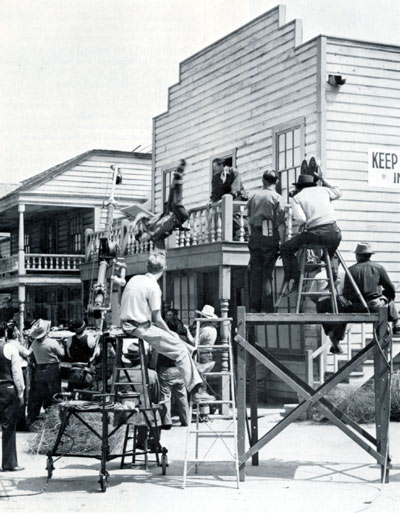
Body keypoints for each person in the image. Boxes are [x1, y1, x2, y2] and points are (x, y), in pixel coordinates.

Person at [120, 253, 214, 402]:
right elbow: (157, 319)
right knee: (178, 347)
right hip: (139, 326)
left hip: (130, 323)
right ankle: (196, 390)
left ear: (147, 267)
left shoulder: (135, 279)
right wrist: (170, 332)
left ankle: (195, 366)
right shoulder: (153, 287)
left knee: (181, 345)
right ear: (164, 268)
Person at [280, 164, 342, 292]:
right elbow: (338, 192)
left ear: (298, 187)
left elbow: (301, 219)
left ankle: (295, 279)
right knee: (329, 255)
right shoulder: (323, 190)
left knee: (286, 248)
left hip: (316, 234)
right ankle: (334, 277)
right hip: (335, 232)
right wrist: (323, 179)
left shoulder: (297, 198)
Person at [246, 169, 286, 312]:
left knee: (256, 272)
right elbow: (281, 222)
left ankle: (254, 307)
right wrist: (282, 241)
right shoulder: (277, 198)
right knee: (267, 272)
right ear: (276, 182)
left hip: (255, 235)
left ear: (263, 181)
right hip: (269, 234)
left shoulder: (253, 196)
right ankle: (267, 307)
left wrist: (252, 235)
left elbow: (248, 220)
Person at [343, 243, 400, 333]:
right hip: (375, 306)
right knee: (388, 298)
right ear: (370, 255)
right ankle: (396, 324)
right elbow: (390, 289)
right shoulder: (379, 268)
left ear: (357, 256)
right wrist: (385, 296)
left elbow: (346, 294)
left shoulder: (350, 270)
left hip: (356, 308)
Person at [133, 160, 189, 250]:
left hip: (169, 213)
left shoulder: (149, 225)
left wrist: (135, 223)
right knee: (176, 204)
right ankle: (180, 180)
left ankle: (178, 174)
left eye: (143, 238)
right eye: (144, 241)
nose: (145, 240)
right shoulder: (156, 238)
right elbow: (160, 250)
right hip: (179, 218)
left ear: (143, 233)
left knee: (171, 192)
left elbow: (141, 216)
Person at [157, 309, 192, 428]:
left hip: (166, 369)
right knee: (182, 395)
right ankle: (186, 419)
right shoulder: (184, 338)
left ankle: (167, 421)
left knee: (165, 396)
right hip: (180, 369)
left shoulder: (166, 338)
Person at [27, 319, 65, 426]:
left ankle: (36, 417)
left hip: (39, 369)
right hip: (52, 369)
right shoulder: (52, 342)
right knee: (54, 393)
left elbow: (32, 356)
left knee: (40, 393)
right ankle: (54, 417)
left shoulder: (34, 343)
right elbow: (61, 354)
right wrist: (61, 344)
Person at [0, 323, 25, 471]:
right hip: (6, 388)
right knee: (8, 427)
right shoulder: (9, 348)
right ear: (5, 332)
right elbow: (17, 373)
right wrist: (21, 393)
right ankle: (9, 463)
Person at [6, 323, 30, 430]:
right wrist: (32, 345)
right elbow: (27, 353)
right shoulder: (15, 344)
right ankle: (21, 423)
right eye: (16, 330)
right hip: (21, 370)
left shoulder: (7, 344)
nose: (19, 332)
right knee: (21, 396)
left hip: (9, 373)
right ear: (14, 333)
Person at [67, 318, 99, 391]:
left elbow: (69, 355)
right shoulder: (90, 339)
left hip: (74, 370)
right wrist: (97, 347)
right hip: (86, 370)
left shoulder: (70, 339)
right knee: (87, 393)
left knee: (72, 394)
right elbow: (97, 354)